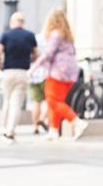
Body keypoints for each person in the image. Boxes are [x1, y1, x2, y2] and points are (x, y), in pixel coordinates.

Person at [31, 8, 88, 140]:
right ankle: (53, 130)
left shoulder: (56, 34)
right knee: (57, 101)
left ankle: (77, 122)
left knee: (52, 100)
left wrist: (34, 68)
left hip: (57, 72)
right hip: (70, 74)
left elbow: (48, 54)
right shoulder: (68, 36)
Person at [0, 11, 38, 142]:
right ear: (22, 22)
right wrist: (30, 61)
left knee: (6, 100)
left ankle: (3, 128)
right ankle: (11, 131)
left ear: (12, 22)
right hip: (23, 72)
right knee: (16, 103)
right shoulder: (30, 36)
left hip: (8, 71)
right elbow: (36, 54)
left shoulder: (6, 35)